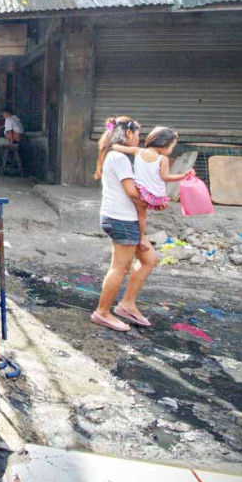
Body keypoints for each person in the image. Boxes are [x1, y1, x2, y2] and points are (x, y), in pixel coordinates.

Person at [92, 116, 158, 332]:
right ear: (128, 134)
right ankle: (102, 312)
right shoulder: (118, 158)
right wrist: (152, 200)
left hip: (123, 217)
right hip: (120, 218)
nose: (139, 139)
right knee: (119, 267)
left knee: (149, 258)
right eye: (138, 134)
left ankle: (127, 305)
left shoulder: (114, 155)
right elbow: (131, 191)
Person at [113, 127, 194, 211]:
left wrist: (110, 139)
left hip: (138, 191)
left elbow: (116, 147)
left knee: (140, 213)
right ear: (164, 143)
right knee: (143, 214)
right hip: (154, 196)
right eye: (171, 147)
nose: (171, 151)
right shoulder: (163, 159)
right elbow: (165, 177)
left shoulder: (137, 151)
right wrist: (183, 176)